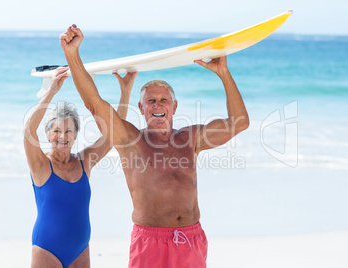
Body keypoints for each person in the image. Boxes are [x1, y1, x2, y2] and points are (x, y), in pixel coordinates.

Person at [61, 25, 249, 268]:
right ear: (141, 108)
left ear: (174, 106)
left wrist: (223, 73)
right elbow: (94, 104)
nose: (157, 105)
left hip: (191, 240)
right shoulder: (130, 140)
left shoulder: (191, 138)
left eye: (164, 100)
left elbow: (239, 123)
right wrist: (72, 54)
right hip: (150, 242)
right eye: (151, 100)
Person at [23, 66, 137, 267]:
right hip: (47, 249)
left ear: (76, 134)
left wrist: (125, 91)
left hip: (80, 249)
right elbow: (28, 132)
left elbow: (114, 135)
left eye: (69, 131)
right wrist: (51, 92)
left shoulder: (84, 162)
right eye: (57, 130)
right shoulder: (41, 164)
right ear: (48, 134)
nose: (63, 137)